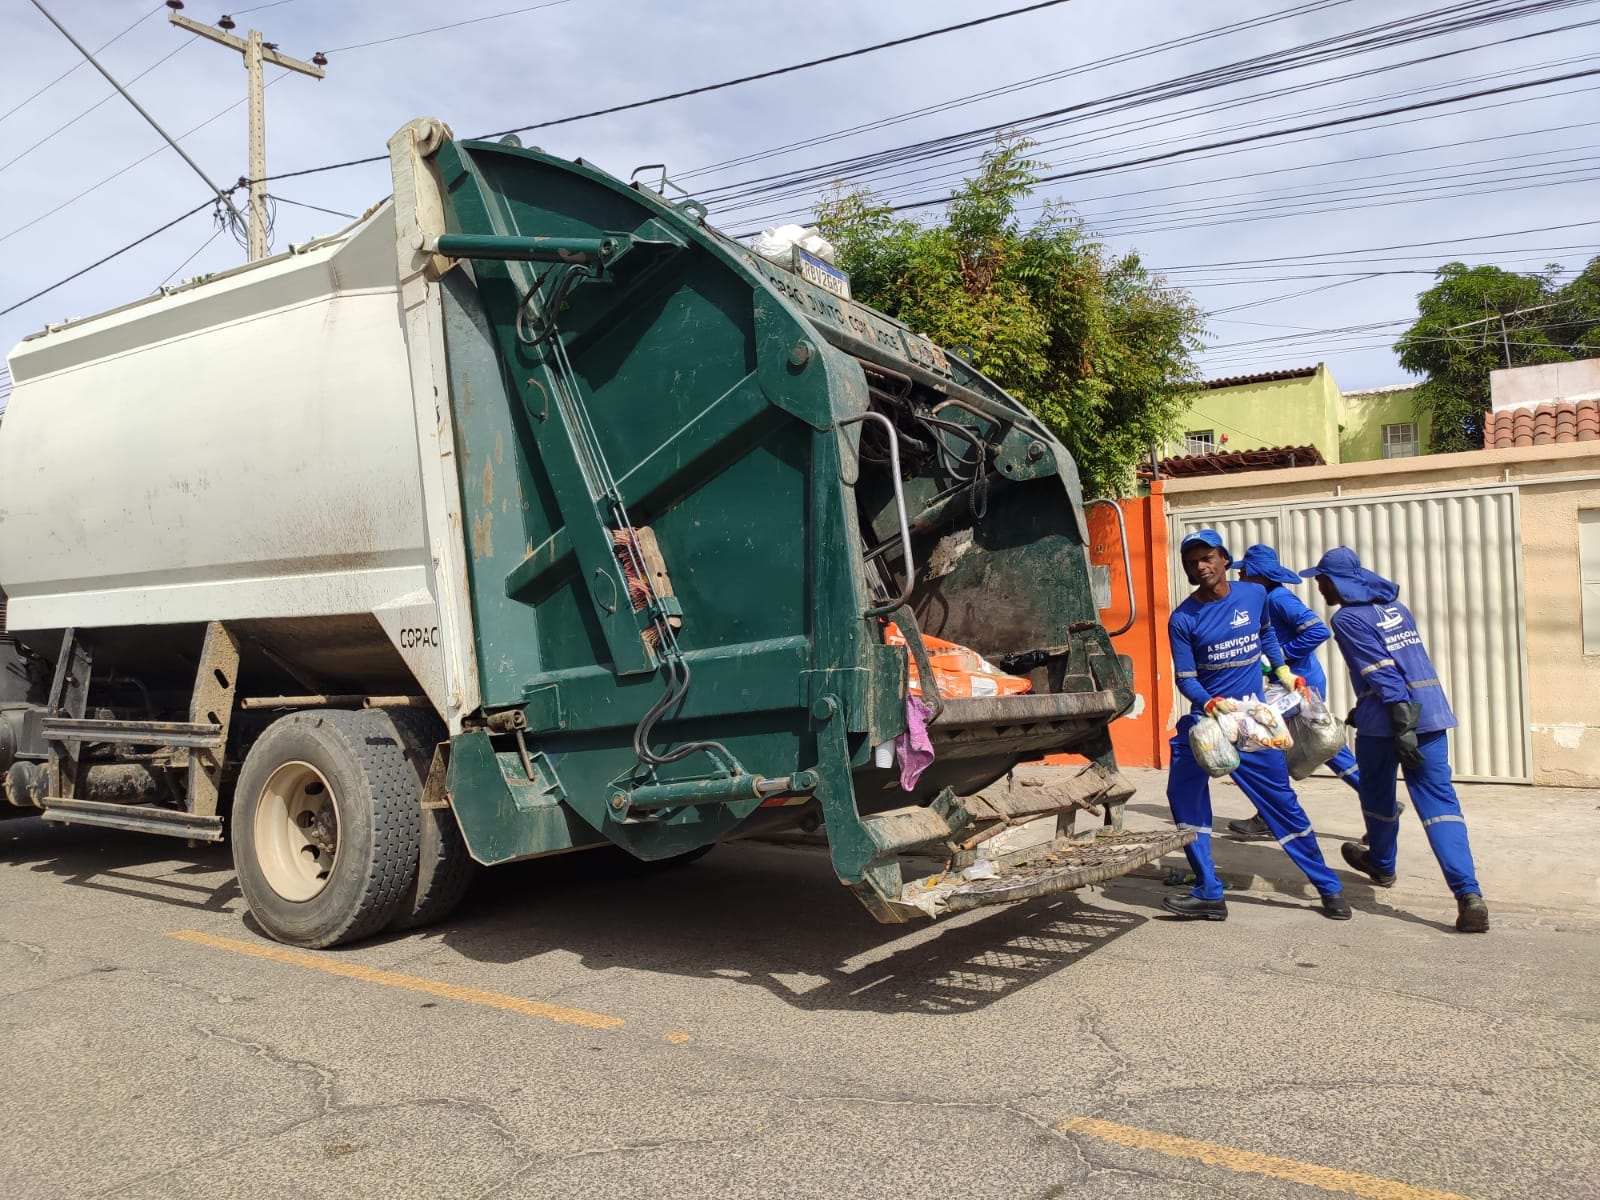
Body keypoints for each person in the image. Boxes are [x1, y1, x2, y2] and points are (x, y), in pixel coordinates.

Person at [1163, 529, 1352, 922]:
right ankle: (1209, 891)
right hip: (1209, 721)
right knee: (1182, 792)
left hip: (1252, 723)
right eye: (1192, 561)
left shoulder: (1255, 596)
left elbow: (1266, 634)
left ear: (1224, 560)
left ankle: (1329, 888)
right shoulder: (1182, 618)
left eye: (1207, 557)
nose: (1201, 566)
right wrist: (1209, 702)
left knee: (1282, 805)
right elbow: (1185, 677)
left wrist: (1281, 670)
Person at [1299, 546, 1490, 933]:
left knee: (1378, 798)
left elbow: (1383, 671)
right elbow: (1403, 664)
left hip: (1389, 724)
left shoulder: (1348, 619)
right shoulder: (1394, 610)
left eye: (1322, 579)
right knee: (1441, 805)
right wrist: (1364, 706)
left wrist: (1401, 725)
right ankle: (1469, 894)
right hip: (1431, 715)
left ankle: (1383, 866)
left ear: (1338, 581)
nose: (1319, 586)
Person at [1226, 543, 1384, 841]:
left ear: (1259, 575)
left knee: (1264, 745)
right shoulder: (1265, 598)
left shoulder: (1278, 598)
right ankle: (1379, 800)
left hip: (1297, 685)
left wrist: (1280, 656)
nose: (1241, 576)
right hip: (1292, 683)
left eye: (1245, 571)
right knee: (1324, 744)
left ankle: (1271, 817)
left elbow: (1317, 631)